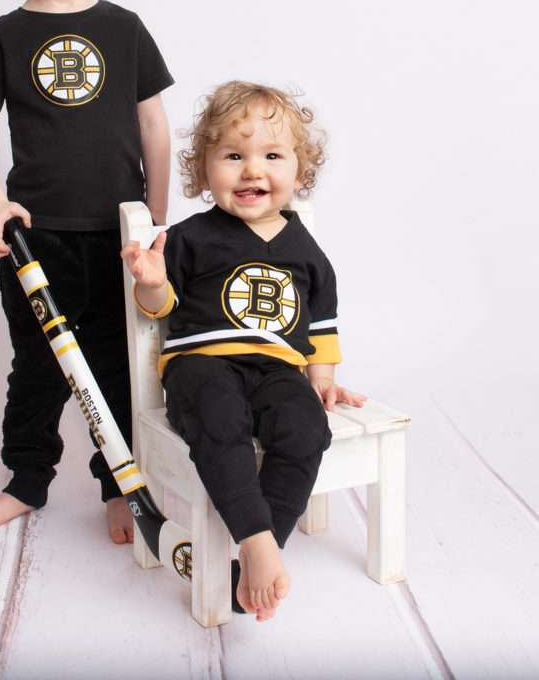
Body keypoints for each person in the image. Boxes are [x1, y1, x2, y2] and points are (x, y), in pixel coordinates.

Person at [0, 0, 173, 544]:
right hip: (37, 238)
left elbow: (153, 126)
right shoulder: (6, 36)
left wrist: (158, 218)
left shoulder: (125, 28)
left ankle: (119, 484)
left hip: (117, 235)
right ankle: (25, 481)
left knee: (115, 366)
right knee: (40, 371)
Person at [121, 81, 365, 620]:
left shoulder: (307, 250)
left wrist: (321, 376)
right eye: (234, 155)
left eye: (272, 156)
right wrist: (152, 281)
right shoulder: (190, 238)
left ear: (300, 170)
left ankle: (262, 547)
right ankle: (257, 539)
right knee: (219, 415)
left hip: (279, 369)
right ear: (204, 170)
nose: (253, 170)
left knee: (306, 426)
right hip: (201, 365)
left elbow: (322, 321)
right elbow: (157, 309)